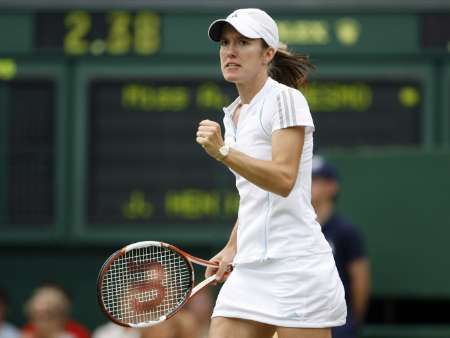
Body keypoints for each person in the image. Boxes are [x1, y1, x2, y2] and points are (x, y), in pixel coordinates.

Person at [195, 8, 346, 338]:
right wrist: (233, 245)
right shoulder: (234, 115)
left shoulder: (286, 100)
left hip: (297, 267)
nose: (230, 51)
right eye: (225, 42)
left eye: (243, 42)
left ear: (267, 54)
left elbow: (282, 180)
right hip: (249, 269)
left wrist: (224, 152)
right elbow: (255, 195)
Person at [311, 155, 371, 338]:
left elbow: (360, 280)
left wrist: (351, 322)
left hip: (337, 324)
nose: (307, 185)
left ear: (331, 186)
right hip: (302, 319)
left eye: (314, 180)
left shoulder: (345, 231)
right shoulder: (295, 229)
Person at [21, 283, 90, 338]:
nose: (42, 321)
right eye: (35, 315)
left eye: (49, 314)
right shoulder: (25, 333)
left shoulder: (75, 334)